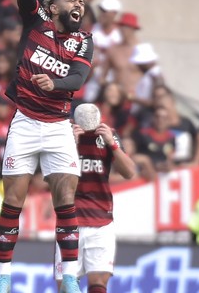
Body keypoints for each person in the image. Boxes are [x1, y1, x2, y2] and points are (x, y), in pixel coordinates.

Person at [0, 0, 94, 293]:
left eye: (81, 0)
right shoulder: (36, 19)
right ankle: (3, 278)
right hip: (25, 122)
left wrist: (55, 83)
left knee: (66, 201)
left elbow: (78, 79)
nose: (78, 3)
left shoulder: (84, 41)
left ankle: (68, 276)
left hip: (59, 126)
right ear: (52, 6)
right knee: (12, 202)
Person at [54, 104, 136, 293]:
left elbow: (130, 172)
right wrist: (69, 145)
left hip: (101, 219)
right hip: (70, 219)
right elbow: (54, 178)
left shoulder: (108, 134)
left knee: (98, 283)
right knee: (66, 287)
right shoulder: (64, 134)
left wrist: (112, 144)